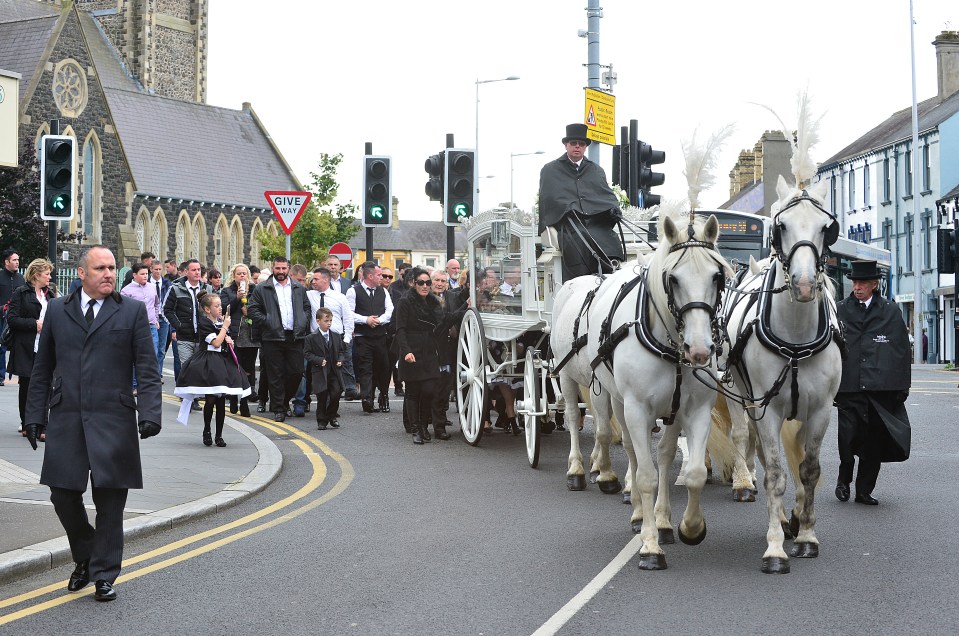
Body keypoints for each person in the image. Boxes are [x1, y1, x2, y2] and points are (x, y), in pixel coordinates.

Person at [24, 245, 161, 602]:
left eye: (112, 267)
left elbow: (147, 368)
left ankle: (103, 574)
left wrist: (149, 413)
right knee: (62, 495)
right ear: (81, 273)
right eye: (100, 268)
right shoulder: (57, 309)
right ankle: (86, 553)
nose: (109, 274)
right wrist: (34, 415)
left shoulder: (130, 311)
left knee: (111, 501)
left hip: (113, 418)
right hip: (67, 416)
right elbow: (42, 369)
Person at [834, 260, 911, 506]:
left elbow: (900, 352)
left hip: (880, 389)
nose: (857, 287)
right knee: (846, 439)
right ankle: (843, 480)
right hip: (848, 386)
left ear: (874, 284)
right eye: (854, 282)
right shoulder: (839, 310)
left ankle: (864, 491)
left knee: (873, 444)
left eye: (862, 283)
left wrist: (902, 388)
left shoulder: (890, 310)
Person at [538, 122, 624, 280]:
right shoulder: (550, 170)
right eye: (573, 143)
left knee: (608, 235)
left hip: (595, 220)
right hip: (568, 222)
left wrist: (613, 209)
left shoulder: (596, 170)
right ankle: (581, 280)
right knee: (580, 237)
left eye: (581, 144)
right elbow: (548, 200)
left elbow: (606, 195)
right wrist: (567, 208)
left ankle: (612, 270)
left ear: (585, 147)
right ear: (566, 145)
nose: (577, 146)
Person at [174, 291, 251, 444]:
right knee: (210, 399)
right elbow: (215, 343)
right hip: (208, 362)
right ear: (208, 309)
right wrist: (225, 329)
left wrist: (229, 340)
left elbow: (223, 342)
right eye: (217, 306)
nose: (220, 308)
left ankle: (219, 435)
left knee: (221, 400)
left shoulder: (220, 322)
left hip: (222, 361)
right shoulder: (205, 323)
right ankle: (207, 430)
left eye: (220, 305)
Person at [247, 257, 311, 422]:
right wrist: (269, 321)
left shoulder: (298, 288)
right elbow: (253, 309)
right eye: (278, 268)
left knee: (297, 372)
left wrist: (303, 321)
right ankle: (279, 409)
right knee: (275, 374)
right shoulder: (262, 288)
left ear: (288, 269)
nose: (281, 272)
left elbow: (306, 308)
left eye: (283, 268)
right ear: (272, 268)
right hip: (272, 336)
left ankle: (283, 402)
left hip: (294, 336)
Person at [395, 268, 455, 444]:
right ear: (413, 283)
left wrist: (465, 307)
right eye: (421, 282)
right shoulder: (405, 301)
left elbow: (445, 319)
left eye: (428, 283)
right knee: (413, 392)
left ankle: (422, 425)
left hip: (429, 350)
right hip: (411, 350)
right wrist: (406, 351)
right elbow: (400, 329)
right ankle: (416, 430)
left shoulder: (432, 302)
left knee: (428, 390)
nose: (425, 286)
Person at [6, 258, 56, 437]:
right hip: (26, 347)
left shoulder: (50, 295)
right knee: (27, 386)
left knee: (46, 386)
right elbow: (12, 319)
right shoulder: (21, 292)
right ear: (36, 275)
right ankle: (27, 423)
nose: (50, 277)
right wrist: (35, 324)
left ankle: (43, 426)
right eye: (47, 273)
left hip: (45, 347)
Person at [346, 261, 393, 414]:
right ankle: (367, 399)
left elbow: (390, 310)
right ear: (370, 276)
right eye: (379, 275)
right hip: (363, 337)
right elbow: (349, 313)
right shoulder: (353, 291)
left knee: (383, 368)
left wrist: (379, 320)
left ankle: (383, 396)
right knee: (366, 368)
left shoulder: (383, 292)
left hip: (380, 336)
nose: (382, 278)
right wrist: (365, 319)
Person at [163, 260, 208, 410]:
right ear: (187, 272)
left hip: (202, 336)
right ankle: (191, 398)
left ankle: (193, 395)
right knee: (187, 367)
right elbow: (166, 310)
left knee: (198, 368)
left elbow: (215, 308)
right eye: (194, 270)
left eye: (199, 270)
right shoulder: (176, 289)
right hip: (184, 336)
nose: (197, 272)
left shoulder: (206, 289)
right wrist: (178, 326)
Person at [221, 263, 259, 417]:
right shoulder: (227, 291)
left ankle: (244, 402)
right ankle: (233, 398)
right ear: (234, 276)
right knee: (235, 368)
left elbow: (260, 307)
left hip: (250, 336)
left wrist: (249, 310)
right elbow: (223, 309)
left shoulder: (255, 290)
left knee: (248, 370)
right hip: (235, 336)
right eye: (239, 274)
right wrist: (237, 299)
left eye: (244, 273)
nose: (242, 276)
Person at [304, 307, 346, 430]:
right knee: (322, 396)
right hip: (320, 371)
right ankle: (322, 420)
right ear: (318, 321)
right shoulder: (311, 338)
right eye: (326, 321)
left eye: (330, 321)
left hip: (334, 371)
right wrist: (318, 360)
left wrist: (340, 360)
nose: (329, 323)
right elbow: (307, 353)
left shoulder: (336, 336)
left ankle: (332, 415)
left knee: (336, 393)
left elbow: (342, 351)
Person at [120, 262, 162, 383]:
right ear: (134, 275)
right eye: (142, 274)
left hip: (151, 326)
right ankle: (134, 384)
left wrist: (155, 319)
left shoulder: (152, 287)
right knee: (136, 356)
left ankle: (147, 382)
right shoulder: (126, 291)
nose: (145, 276)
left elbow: (156, 303)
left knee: (152, 354)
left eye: (147, 274)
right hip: (135, 328)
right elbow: (123, 310)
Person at [0, 248, 26, 386]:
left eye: (18, 260)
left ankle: (21, 374)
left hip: (16, 317)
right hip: (1, 317)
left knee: (19, 346)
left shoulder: (21, 278)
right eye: (14, 260)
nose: (17, 262)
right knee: (1, 347)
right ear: (6, 262)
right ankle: (0, 376)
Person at [150, 261, 173, 373]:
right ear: (151, 269)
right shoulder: (148, 283)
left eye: (160, 269)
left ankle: (158, 374)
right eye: (156, 269)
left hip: (163, 318)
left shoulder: (167, 283)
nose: (158, 271)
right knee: (152, 347)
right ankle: (152, 373)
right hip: (151, 318)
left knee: (161, 348)